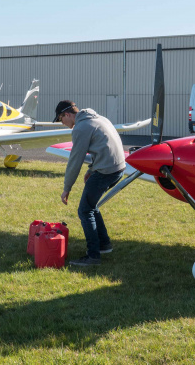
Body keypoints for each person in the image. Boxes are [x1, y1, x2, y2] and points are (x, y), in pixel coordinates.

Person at [55, 100, 125, 266]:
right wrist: (91, 169)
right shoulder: (98, 118)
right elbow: (103, 147)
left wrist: (67, 188)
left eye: (60, 119)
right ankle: (104, 245)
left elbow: (75, 160)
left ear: (67, 114)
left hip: (106, 171)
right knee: (91, 206)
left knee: (85, 211)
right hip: (119, 168)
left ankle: (93, 256)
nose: (62, 123)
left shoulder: (80, 128)